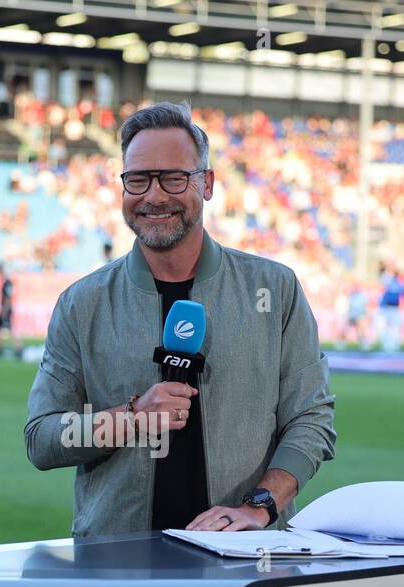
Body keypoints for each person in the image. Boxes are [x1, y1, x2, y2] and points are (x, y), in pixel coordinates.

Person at [24, 102, 335, 536]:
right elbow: (41, 439)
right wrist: (129, 418)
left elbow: (311, 419)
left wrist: (260, 506)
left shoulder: (274, 288)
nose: (154, 196)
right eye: (139, 179)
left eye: (173, 178)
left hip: (247, 563)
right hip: (117, 565)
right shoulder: (82, 304)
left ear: (206, 184)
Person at [0, 261, 21, 359]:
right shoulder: (5, 282)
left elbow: (9, 297)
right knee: (0, 330)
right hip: (5, 308)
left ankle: (18, 349)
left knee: (10, 330)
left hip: (6, 309)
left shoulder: (8, 283)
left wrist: (4, 311)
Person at [378, 267, 404, 353]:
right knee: (391, 328)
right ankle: (392, 346)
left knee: (391, 328)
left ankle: (389, 346)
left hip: (390, 308)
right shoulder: (398, 284)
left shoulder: (390, 282)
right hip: (390, 308)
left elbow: (403, 294)